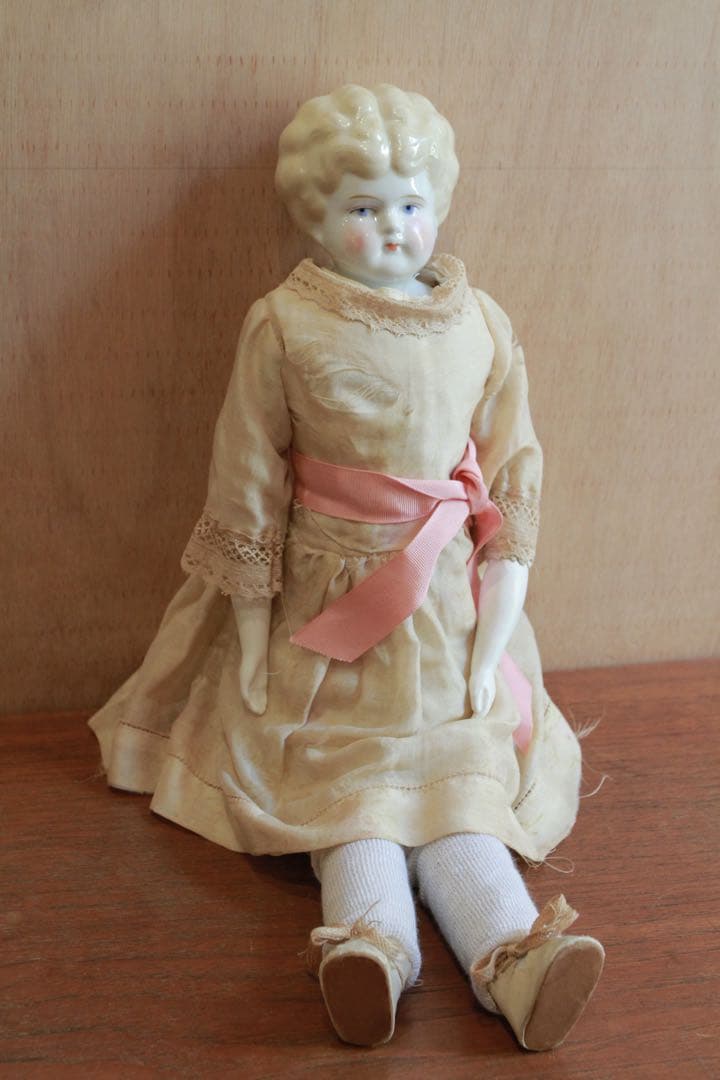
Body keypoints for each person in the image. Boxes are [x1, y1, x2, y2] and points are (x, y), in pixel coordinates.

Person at [89, 84, 604, 1051]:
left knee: (459, 786)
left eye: (412, 202)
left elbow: (512, 472)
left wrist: (493, 636)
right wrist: (250, 638)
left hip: (447, 608)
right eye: (363, 207)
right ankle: (370, 947)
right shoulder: (284, 324)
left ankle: (515, 958)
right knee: (348, 787)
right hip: (325, 605)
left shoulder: (481, 322)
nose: (394, 226)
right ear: (315, 217)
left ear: (440, 202)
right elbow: (246, 475)